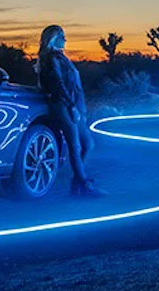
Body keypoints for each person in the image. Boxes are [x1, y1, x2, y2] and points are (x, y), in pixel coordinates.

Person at [37, 25, 107, 197]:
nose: (65, 40)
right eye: (62, 36)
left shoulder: (61, 58)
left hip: (74, 105)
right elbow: (58, 84)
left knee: (88, 144)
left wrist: (79, 107)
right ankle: (83, 184)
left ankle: (78, 182)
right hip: (63, 105)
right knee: (75, 145)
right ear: (53, 39)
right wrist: (71, 106)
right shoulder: (51, 59)